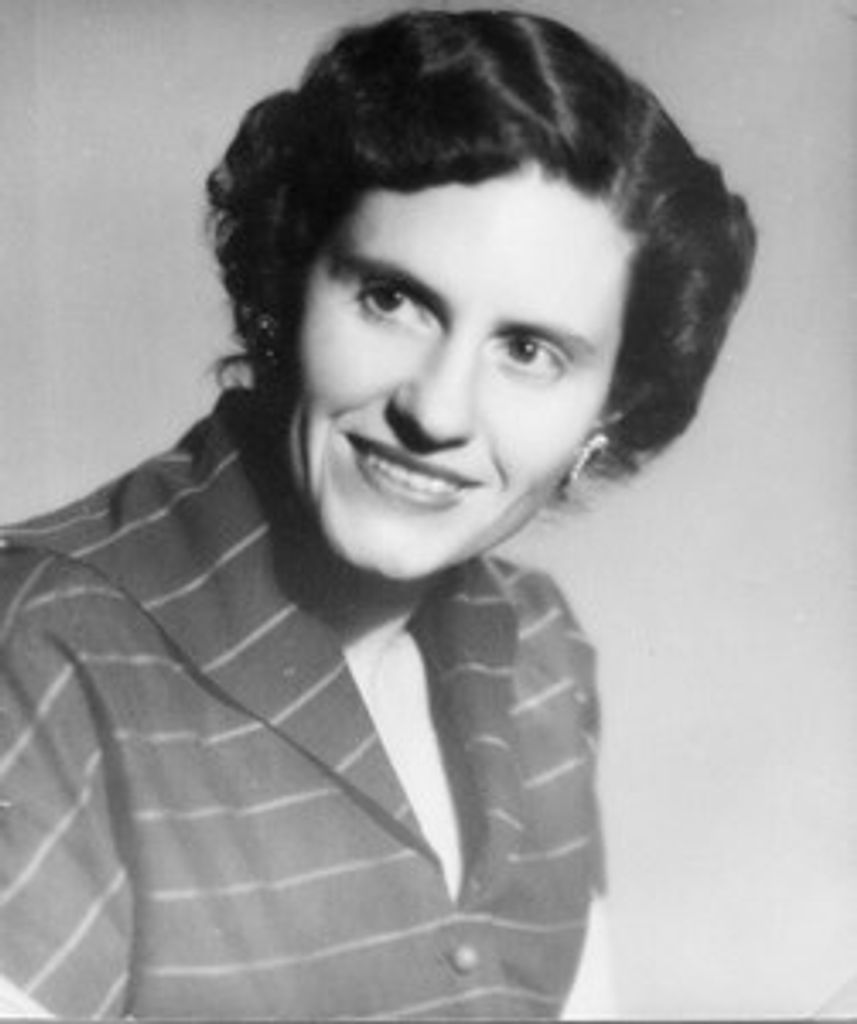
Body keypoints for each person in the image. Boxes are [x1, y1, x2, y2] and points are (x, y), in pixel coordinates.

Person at [0, 7, 755, 1020]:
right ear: (288, 278)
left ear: (607, 413)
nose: (435, 411)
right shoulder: (46, 647)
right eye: (392, 300)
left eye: (528, 351)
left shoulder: (540, 656)